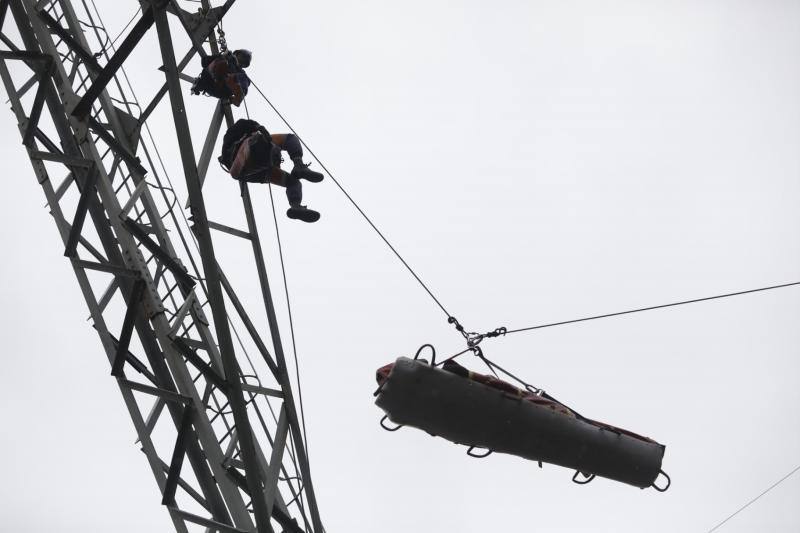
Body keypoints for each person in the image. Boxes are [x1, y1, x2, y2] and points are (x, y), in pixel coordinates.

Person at [219, 119, 324, 223]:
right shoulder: (236, 140)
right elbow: (242, 123)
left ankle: (295, 206)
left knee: (294, 183)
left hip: (255, 173)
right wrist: (258, 127)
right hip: (250, 153)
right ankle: (298, 164)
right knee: (289, 139)